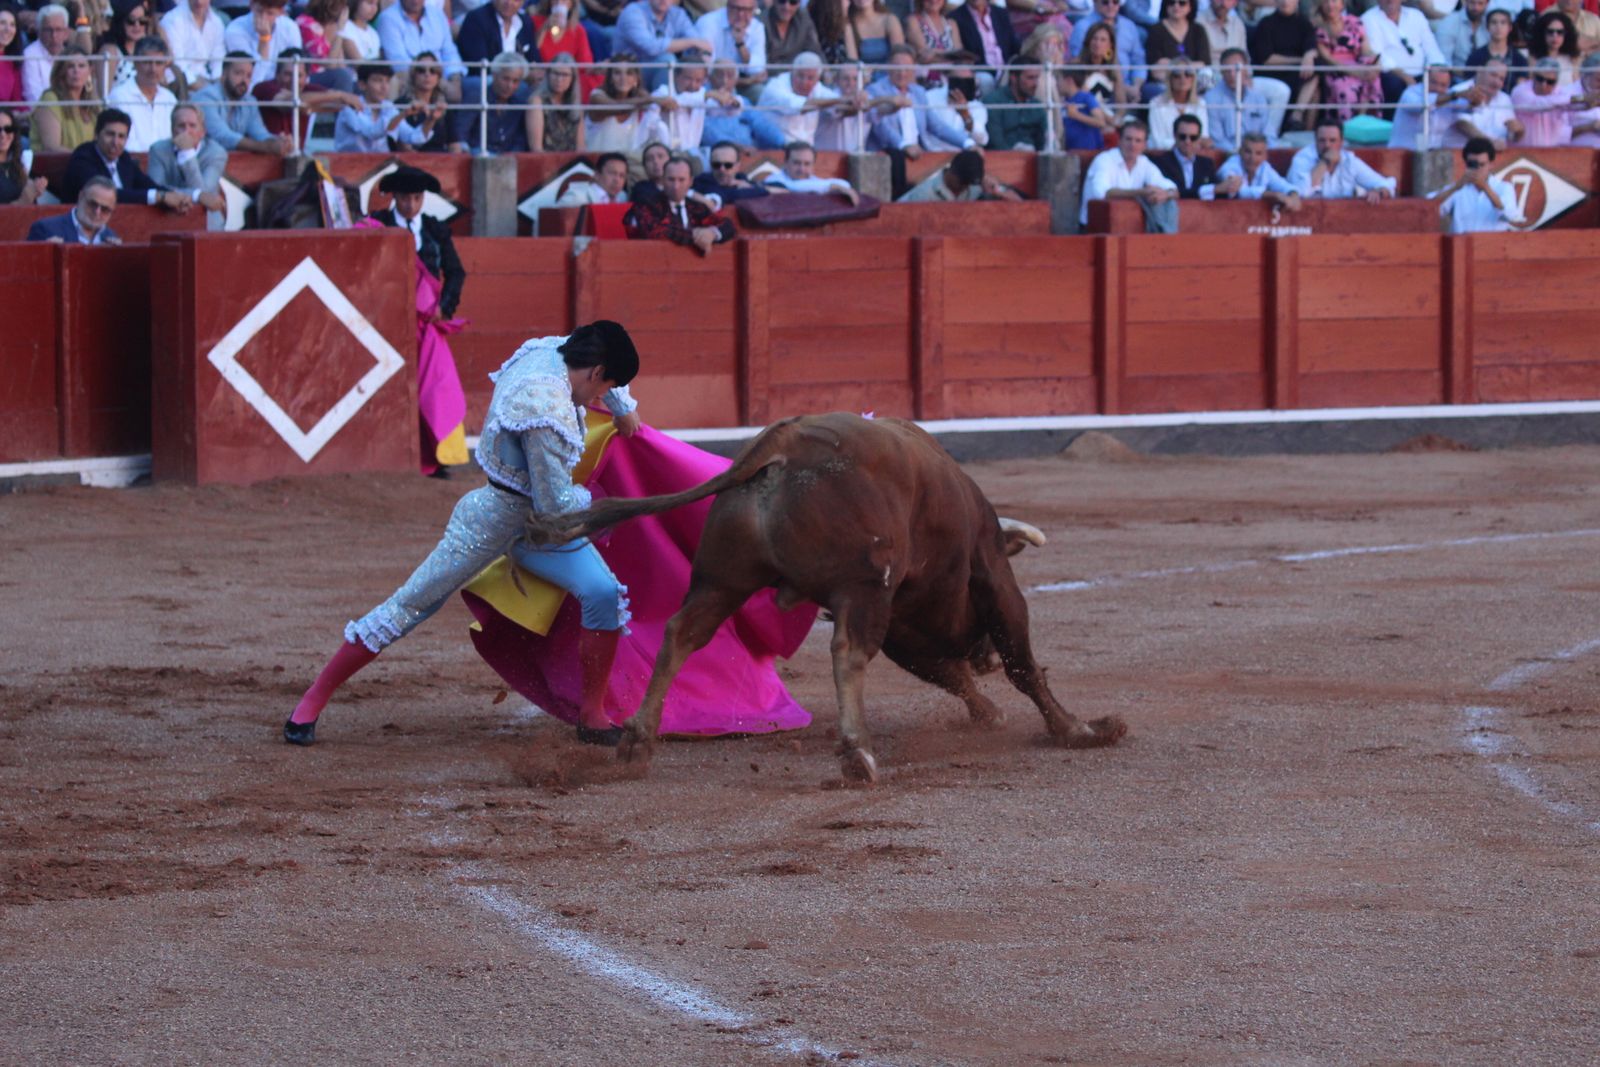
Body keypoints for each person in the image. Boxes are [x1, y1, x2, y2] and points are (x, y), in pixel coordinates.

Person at [283, 322, 643, 748]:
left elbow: (582, 348)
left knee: (601, 591)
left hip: (540, 525)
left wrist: (622, 405)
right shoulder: (546, 409)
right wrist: (602, 504)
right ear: (595, 371)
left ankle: (593, 714)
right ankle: (312, 699)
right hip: (497, 520)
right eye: (604, 388)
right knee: (413, 602)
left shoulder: (550, 350)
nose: (598, 399)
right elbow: (554, 506)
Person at [367, 165, 471, 477]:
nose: (411, 204)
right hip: (385, 323)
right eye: (404, 198)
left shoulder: (435, 229)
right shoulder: (378, 225)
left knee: (435, 387)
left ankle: (438, 457)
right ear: (393, 198)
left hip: (425, 325)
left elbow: (455, 273)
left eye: (416, 198)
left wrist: (444, 306)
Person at [62, 108, 193, 209]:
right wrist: (161, 197)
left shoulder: (123, 158)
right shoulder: (83, 157)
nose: (115, 141)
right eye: (110, 134)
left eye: (121, 136)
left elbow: (148, 185)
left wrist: (178, 197)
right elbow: (105, 194)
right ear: (96, 135)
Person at [868, 44, 975, 155]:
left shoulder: (918, 92)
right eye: (897, 68)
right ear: (888, 67)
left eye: (907, 68)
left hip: (918, 154)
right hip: (887, 155)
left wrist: (967, 143)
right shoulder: (875, 90)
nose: (902, 73)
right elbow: (881, 126)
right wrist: (903, 145)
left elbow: (937, 126)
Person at [1079, 117, 1179, 231]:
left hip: (1131, 229)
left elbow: (1171, 188)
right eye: (1128, 139)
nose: (1133, 145)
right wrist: (1141, 193)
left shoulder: (1144, 162)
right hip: (1095, 229)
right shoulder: (1104, 160)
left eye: (1138, 141)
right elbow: (1101, 193)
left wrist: (1166, 194)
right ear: (1119, 141)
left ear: (1144, 145)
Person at [624, 155, 735, 253]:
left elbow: (727, 225)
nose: (676, 186)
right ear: (663, 180)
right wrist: (695, 235)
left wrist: (712, 233)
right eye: (671, 180)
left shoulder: (697, 207)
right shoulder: (646, 203)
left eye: (681, 180)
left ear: (690, 182)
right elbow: (654, 231)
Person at [194, 51, 290, 156]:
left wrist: (279, 142)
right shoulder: (206, 97)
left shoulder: (249, 101)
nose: (244, 80)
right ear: (224, 74)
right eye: (239, 73)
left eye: (249, 76)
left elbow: (260, 134)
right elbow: (222, 136)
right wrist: (266, 147)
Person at [146, 103, 228, 223]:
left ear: (203, 131)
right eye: (181, 125)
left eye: (192, 126)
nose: (186, 131)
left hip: (206, 220)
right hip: (167, 216)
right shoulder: (158, 150)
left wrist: (187, 154)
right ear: (172, 130)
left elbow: (204, 193)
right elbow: (156, 189)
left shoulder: (216, 153)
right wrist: (195, 195)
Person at [1287, 117, 1397, 200]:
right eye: (1322, 140)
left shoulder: (1349, 161)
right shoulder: (1302, 159)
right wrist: (1324, 162)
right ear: (1315, 140)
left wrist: (1379, 192)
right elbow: (1301, 193)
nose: (1327, 145)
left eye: (1332, 140)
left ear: (1341, 142)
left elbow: (1387, 184)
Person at [337, 62, 436, 151]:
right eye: (378, 81)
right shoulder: (349, 107)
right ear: (362, 85)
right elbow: (371, 133)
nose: (384, 87)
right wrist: (403, 114)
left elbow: (412, 137)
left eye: (387, 81)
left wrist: (431, 119)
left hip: (381, 166)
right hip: (349, 165)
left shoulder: (388, 107)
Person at [376, 0, 465, 100]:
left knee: (475, 86)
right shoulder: (388, 18)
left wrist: (454, 77)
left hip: (444, 78)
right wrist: (435, 78)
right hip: (411, 79)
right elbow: (398, 61)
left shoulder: (437, 14)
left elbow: (449, 51)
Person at [1360, 0, 1444, 105]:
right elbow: (1378, 56)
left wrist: (1437, 71)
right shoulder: (1368, 19)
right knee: (1392, 83)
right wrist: (1405, 77)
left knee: (1446, 83)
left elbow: (1432, 49)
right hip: (1395, 76)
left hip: (1424, 74)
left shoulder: (1416, 15)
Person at [616, 0, 710, 90]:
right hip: (627, 71)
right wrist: (691, 42)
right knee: (666, 60)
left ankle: (695, 102)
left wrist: (704, 54)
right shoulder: (632, 12)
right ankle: (663, 102)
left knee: (701, 63)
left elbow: (699, 41)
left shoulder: (678, 14)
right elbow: (651, 47)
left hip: (650, 70)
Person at [452, 52, 536, 153]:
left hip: (510, 160)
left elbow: (520, 140)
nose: (510, 86)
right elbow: (461, 134)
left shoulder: (520, 102)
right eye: (506, 79)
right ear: (494, 75)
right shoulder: (477, 97)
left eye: (515, 81)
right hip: (478, 158)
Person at [1437, 135, 1522, 233]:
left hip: (1491, 245)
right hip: (1460, 245)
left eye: (1482, 165)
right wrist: (1456, 187)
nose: (1477, 169)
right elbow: (1433, 210)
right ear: (1465, 163)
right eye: (1472, 164)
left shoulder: (1504, 188)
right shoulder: (1457, 188)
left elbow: (1510, 216)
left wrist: (1486, 188)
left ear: (1491, 165)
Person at [1312, 0, 1380, 123]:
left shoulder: (1354, 22)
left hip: (1357, 66)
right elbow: (1328, 59)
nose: (1330, 5)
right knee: (1344, 87)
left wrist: (1376, 62)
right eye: (1326, 2)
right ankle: (1347, 128)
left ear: (1342, 4)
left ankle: (1366, 122)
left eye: (1334, 1)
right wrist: (1355, 72)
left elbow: (1366, 50)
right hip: (1335, 70)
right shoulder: (1318, 27)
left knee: (1374, 78)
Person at [105, 36, 175, 153]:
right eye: (147, 62)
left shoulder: (169, 98)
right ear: (135, 63)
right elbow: (124, 144)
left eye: (158, 63)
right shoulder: (120, 96)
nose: (153, 69)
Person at [1250, 0, 1316, 120]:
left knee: (1317, 70)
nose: (1286, 2)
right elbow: (1266, 59)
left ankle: (1299, 116)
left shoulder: (1304, 23)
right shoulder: (1266, 23)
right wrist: (1300, 60)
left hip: (1297, 72)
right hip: (1272, 72)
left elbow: (1311, 46)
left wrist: (1309, 56)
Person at [757, 51, 841, 144]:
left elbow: (839, 107)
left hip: (805, 152)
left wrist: (854, 101)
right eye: (800, 76)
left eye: (810, 78)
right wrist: (841, 100)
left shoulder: (818, 87)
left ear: (817, 79)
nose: (804, 82)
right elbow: (802, 106)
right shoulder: (775, 86)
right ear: (792, 72)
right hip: (772, 149)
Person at [1440, 57, 1523, 150]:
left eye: (1501, 79)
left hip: (1494, 158)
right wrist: (1490, 144)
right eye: (1493, 75)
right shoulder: (1460, 91)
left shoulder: (1505, 99)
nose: (1496, 82)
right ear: (1480, 71)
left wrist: (1519, 132)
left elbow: (1511, 136)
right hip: (1459, 155)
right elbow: (1462, 124)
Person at [32, 45, 99, 152]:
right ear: (61, 71)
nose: (76, 71)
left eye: (81, 66)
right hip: (56, 166)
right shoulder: (50, 99)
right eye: (70, 66)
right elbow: (51, 147)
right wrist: (85, 160)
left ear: (90, 71)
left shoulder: (94, 104)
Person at [223, 0, 303, 89]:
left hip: (284, 85)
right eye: (260, 11)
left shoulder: (290, 27)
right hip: (253, 88)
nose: (263, 18)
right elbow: (252, 81)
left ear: (281, 12)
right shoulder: (235, 30)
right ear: (251, 5)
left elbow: (296, 65)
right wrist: (264, 39)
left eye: (270, 13)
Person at [1069, 0, 1144, 95]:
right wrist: (1122, 88)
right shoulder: (1082, 26)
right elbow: (1080, 62)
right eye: (1105, 2)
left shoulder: (1129, 26)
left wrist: (1136, 87)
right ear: (1094, 2)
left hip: (1129, 88)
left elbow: (1138, 60)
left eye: (1115, 2)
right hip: (1092, 87)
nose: (1110, 6)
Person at [1154, 112, 1236, 198]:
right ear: (1175, 136)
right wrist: (1210, 190)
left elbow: (1217, 194)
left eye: (1193, 137)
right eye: (1182, 136)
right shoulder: (1161, 162)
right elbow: (1176, 192)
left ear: (1199, 139)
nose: (1187, 141)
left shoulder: (1207, 164)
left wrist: (1231, 187)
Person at [1205, 47, 1272, 151]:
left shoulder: (1258, 98)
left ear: (1246, 70)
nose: (1232, 75)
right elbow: (1217, 139)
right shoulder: (1211, 99)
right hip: (1229, 155)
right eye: (1227, 70)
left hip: (1258, 154)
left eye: (1237, 69)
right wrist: (1241, 154)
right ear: (1221, 72)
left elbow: (1270, 135)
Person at [585, 52, 656, 150]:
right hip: (595, 161)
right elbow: (617, 107)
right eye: (617, 73)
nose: (623, 78)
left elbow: (655, 105)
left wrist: (650, 100)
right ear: (610, 78)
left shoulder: (639, 98)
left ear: (636, 79)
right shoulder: (597, 95)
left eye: (629, 73)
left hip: (625, 161)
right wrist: (653, 100)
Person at [1144, 0, 1210, 101]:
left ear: (1190, 6)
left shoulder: (1198, 30)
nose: (1176, 6)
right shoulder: (1156, 30)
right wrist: (1189, 67)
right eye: (1171, 2)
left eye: (1182, 3)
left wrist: (1171, 64)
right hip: (1164, 84)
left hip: (1195, 84)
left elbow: (1204, 64)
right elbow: (1156, 70)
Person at [897, 146, 1020, 201]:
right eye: (962, 182)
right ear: (952, 172)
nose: (964, 187)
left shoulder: (974, 186)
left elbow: (1017, 201)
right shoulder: (923, 194)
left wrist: (998, 191)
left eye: (968, 183)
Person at [1214, 130, 1300, 208]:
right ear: (1240, 152)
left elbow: (1281, 184)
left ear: (1265, 156)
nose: (1252, 158)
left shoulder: (1265, 167)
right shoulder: (1230, 166)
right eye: (1248, 152)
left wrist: (1293, 194)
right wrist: (1271, 195)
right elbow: (1238, 191)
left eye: (1258, 153)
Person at [696, 0, 765, 97]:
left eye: (747, 10)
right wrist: (745, 81)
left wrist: (740, 44)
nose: (741, 14)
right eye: (736, 9)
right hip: (710, 83)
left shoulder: (757, 27)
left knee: (761, 93)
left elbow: (758, 68)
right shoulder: (708, 22)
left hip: (741, 83)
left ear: (754, 10)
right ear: (727, 6)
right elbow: (709, 68)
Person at [647, 51, 710, 151]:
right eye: (688, 79)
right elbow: (674, 101)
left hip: (692, 156)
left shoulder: (702, 93)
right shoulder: (662, 92)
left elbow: (728, 109)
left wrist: (732, 100)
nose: (693, 85)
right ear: (675, 75)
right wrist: (708, 95)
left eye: (698, 80)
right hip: (667, 156)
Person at [27, 175, 121, 242]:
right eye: (92, 204)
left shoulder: (111, 238)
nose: (97, 212)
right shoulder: (46, 230)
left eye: (105, 209)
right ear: (80, 196)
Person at [763, 139, 860, 203]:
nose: (802, 169)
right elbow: (794, 187)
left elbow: (844, 184)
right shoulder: (773, 179)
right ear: (786, 163)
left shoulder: (815, 181)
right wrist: (835, 187)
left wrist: (839, 187)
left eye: (807, 164)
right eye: (796, 163)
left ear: (813, 165)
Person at [1387, 65, 1458, 149]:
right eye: (1433, 83)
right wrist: (1453, 96)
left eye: (1443, 85)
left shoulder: (1450, 94)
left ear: (1449, 84)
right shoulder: (1410, 93)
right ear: (1424, 80)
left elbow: (1467, 107)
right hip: (1402, 153)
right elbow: (1421, 106)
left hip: (1434, 154)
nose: (1437, 88)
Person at [391, 51, 451, 152]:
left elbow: (454, 145)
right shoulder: (401, 105)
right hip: (413, 162)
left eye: (432, 71)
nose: (427, 74)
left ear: (438, 77)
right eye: (421, 70)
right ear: (413, 75)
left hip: (442, 160)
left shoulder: (444, 105)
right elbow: (405, 148)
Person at [160, 0, 227, 89]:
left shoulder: (216, 22)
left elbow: (218, 61)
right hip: (180, 84)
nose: (199, 2)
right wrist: (202, 88)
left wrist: (217, 86)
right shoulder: (172, 20)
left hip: (207, 83)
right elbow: (177, 63)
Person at [1075, 20, 1138, 113]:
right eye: (1094, 39)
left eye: (1103, 40)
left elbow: (1121, 104)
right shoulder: (1076, 65)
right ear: (1088, 41)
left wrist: (1116, 120)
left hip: (1107, 117)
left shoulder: (1113, 70)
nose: (1098, 44)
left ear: (1110, 45)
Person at [1513, 56, 1577, 146]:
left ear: (1556, 82)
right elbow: (1539, 104)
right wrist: (1571, 100)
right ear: (1533, 76)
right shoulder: (1520, 91)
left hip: (1552, 153)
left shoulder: (1561, 93)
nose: (1544, 85)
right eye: (1540, 79)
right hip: (1524, 153)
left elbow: (1577, 107)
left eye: (1550, 82)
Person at [980, 62, 1046, 150]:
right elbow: (996, 143)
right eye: (1030, 78)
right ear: (1013, 78)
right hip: (1002, 159)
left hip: (1035, 159)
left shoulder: (1037, 105)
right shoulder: (993, 102)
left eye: (1037, 78)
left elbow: (1044, 140)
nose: (1035, 84)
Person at [1146, 59, 1207, 149]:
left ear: (1193, 78)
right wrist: (1184, 145)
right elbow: (1157, 140)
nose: (1183, 79)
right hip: (1164, 155)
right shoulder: (1156, 103)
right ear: (1169, 78)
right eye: (1177, 75)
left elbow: (1203, 136)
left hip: (1192, 154)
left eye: (1188, 74)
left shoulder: (1200, 103)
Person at [1465, 9, 1530, 94]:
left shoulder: (1519, 59)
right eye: (1494, 23)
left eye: (1503, 23)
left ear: (1510, 28)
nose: (1498, 27)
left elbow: (1521, 89)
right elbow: (1470, 84)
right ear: (1487, 27)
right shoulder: (1476, 56)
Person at [459, 0, 537, 68]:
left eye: (515, 0)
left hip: (520, 81)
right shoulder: (477, 19)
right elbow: (478, 64)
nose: (509, 3)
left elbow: (534, 58)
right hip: (486, 79)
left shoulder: (526, 22)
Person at [951, 0, 1019, 76]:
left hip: (1006, 72)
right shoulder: (956, 18)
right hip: (979, 72)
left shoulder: (1001, 13)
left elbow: (1013, 45)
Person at [535, 54, 587, 151]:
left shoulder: (576, 105)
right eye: (555, 73)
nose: (559, 79)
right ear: (548, 74)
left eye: (565, 75)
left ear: (573, 78)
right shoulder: (537, 102)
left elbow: (580, 147)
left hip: (572, 163)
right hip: (544, 162)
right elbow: (536, 149)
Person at [692, 139, 769, 204]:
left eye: (728, 165)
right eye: (716, 165)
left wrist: (752, 187)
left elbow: (778, 189)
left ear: (737, 166)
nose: (722, 169)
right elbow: (726, 195)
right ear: (710, 165)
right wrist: (753, 190)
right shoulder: (701, 182)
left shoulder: (740, 178)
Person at [22, 4, 70, 103]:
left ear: (66, 33)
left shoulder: (71, 55)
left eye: (58, 29)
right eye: (48, 30)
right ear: (39, 32)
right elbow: (33, 97)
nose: (54, 35)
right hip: (43, 113)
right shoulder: (29, 55)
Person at [0, 108, 48, 204]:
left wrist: (36, 188)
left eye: (8, 129)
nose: (3, 134)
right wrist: (23, 200)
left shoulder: (17, 163)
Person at [1057, 67, 1111, 149]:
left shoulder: (1086, 97)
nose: (1057, 84)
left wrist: (1076, 115)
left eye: (1059, 80)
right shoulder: (1065, 102)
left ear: (1069, 80)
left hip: (1089, 151)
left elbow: (1101, 122)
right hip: (1071, 153)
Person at [556, 149, 631, 204]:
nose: (617, 180)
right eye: (612, 173)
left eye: (622, 176)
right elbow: (557, 221)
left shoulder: (623, 197)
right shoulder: (577, 196)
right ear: (597, 175)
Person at [768, 0, 823, 73]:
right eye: (782, 1)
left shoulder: (803, 18)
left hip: (800, 76)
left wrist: (826, 72)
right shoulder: (762, 22)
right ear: (774, 1)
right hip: (769, 78)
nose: (787, 7)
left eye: (793, 2)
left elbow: (815, 50)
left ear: (799, 3)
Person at [848, 0, 904, 71]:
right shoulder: (849, 25)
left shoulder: (890, 20)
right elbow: (852, 62)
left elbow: (900, 57)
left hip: (889, 76)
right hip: (862, 77)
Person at [1529, 10, 1581, 85]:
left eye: (1560, 32)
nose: (1555, 36)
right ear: (1542, 33)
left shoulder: (1573, 58)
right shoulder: (1532, 57)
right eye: (1550, 31)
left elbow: (1576, 85)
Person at [1437, 0, 1491, 68]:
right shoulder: (1450, 22)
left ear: (1487, 4)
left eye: (1480, 3)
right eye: (1472, 2)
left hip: (1488, 75)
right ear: (1465, 2)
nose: (1476, 8)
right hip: (1456, 75)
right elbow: (1444, 59)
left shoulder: (1492, 22)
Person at [0, 9, 24, 105]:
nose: (8, 29)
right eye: (2, 23)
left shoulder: (13, 61)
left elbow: (16, 102)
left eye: (12, 25)